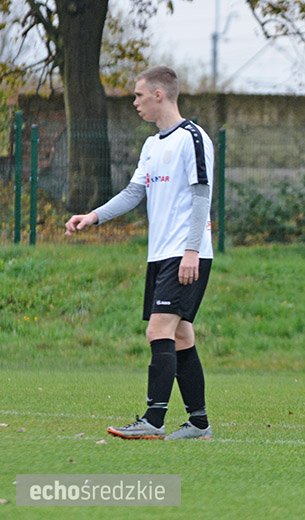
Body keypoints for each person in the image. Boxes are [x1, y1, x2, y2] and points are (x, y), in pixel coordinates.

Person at [65, 66, 214, 440]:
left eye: (138, 95)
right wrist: (94, 216)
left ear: (159, 95)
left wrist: (192, 250)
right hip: (160, 254)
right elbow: (134, 193)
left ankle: (154, 419)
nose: (134, 102)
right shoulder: (152, 145)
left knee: (158, 330)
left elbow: (201, 197)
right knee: (180, 336)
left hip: (185, 253)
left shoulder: (193, 138)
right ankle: (198, 423)